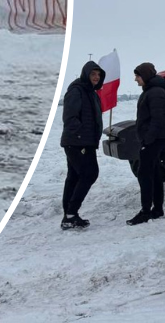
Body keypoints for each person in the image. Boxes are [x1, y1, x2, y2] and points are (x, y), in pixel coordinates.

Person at [60, 60, 104, 230]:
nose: (96, 77)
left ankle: (69, 216)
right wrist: (79, 135)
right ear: (86, 74)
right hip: (78, 142)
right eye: (93, 74)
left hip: (86, 141)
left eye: (98, 75)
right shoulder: (76, 90)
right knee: (89, 174)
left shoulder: (90, 92)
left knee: (74, 177)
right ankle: (71, 213)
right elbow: (70, 117)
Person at [127, 62, 165, 225]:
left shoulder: (155, 93)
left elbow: (158, 119)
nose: (135, 79)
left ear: (144, 76)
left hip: (153, 140)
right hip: (154, 139)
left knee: (144, 174)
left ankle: (145, 211)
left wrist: (148, 139)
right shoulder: (152, 91)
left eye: (137, 76)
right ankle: (157, 209)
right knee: (155, 173)